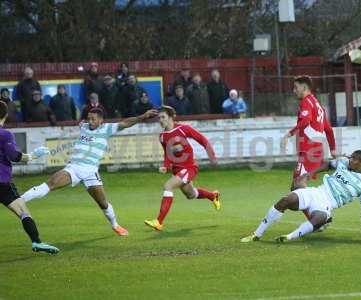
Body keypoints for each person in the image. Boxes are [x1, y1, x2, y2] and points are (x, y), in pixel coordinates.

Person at [21, 108, 158, 236]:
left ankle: (115, 225)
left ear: (100, 121)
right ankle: (20, 200)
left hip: (91, 171)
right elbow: (83, 124)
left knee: (103, 203)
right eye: (88, 118)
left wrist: (142, 117)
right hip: (74, 168)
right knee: (51, 183)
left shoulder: (106, 129)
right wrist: (84, 123)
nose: (90, 121)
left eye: (93, 119)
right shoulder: (84, 126)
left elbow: (125, 123)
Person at [241, 150, 361, 243]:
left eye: (354, 159)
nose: (350, 160)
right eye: (351, 157)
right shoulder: (343, 161)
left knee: (320, 218)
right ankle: (257, 234)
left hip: (327, 204)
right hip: (316, 192)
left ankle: (289, 237)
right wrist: (309, 174)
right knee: (286, 200)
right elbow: (327, 165)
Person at [144, 106, 220, 231]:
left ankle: (158, 221)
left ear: (170, 117)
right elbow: (167, 153)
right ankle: (213, 196)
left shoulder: (183, 129)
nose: (160, 120)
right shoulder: (162, 136)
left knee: (168, 186)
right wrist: (166, 166)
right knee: (191, 194)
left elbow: (202, 139)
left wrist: (212, 155)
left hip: (189, 168)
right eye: (159, 118)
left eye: (163, 117)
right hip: (177, 170)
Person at [0, 101, 59, 254]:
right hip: (2, 183)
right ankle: (36, 242)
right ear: (6, 115)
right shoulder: (5, 134)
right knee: (23, 212)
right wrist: (33, 155)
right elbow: (15, 156)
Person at [281, 76, 336, 192]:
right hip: (315, 151)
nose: (294, 90)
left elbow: (305, 121)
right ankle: (317, 209)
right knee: (296, 189)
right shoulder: (318, 105)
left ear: (304, 87)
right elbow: (329, 130)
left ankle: (319, 209)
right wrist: (333, 150)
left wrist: (289, 134)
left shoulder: (306, 102)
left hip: (308, 151)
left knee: (298, 188)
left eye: (296, 87)